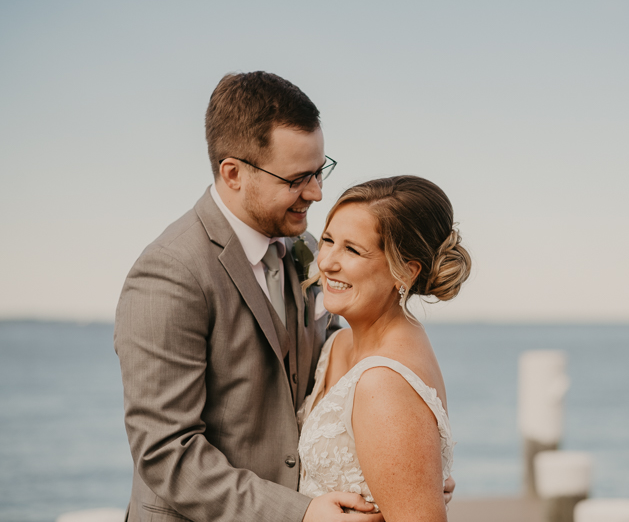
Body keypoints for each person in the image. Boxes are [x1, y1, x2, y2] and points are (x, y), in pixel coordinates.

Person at [114, 72, 390, 521]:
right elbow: (167, 453)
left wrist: (401, 466)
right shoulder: (169, 273)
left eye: (320, 171)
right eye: (298, 179)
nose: (317, 193)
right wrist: (299, 514)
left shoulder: (309, 250)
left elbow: (332, 382)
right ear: (233, 173)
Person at [296, 175, 471, 522]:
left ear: (404, 273)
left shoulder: (384, 383)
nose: (327, 262)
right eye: (328, 240)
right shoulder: (339, 343)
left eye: (352, 250)